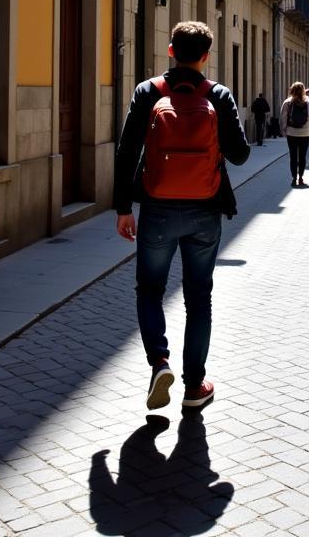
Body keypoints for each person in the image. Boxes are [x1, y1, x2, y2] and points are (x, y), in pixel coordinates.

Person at [114, 21, 251, 413]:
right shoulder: (217, 95)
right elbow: (240, 155)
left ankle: (159, 361)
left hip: (156, 208)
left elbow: (126, 153)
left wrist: (124, 208)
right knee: (198, 298)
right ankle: (194, 387)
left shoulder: (148, 92)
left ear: (170, 50)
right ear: (206, 56)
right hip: (205, 210)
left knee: (149, 291)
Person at [280, 81, 309, 186]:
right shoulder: (307, 102)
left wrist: (284, 130)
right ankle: (301, 177)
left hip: (291, 132)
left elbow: (283, 118)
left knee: (293, 156)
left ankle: (294, 177)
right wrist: (306, 127)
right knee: (302, 156)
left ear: (292, 90)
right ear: (303, 90)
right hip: (304, 133)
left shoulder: (287, 102)